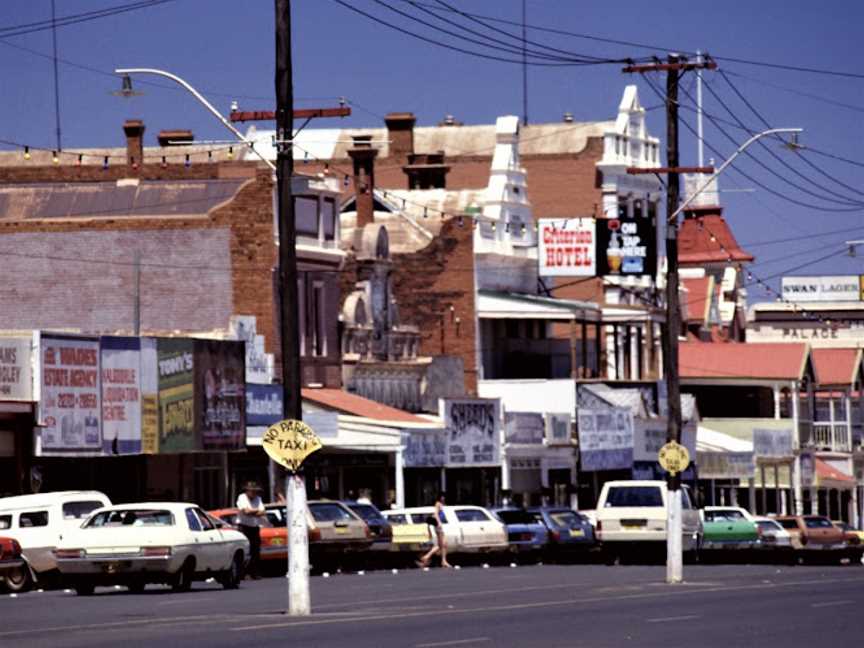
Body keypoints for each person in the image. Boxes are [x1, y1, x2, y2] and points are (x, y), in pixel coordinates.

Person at [236, 481, 266, 579]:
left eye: (255, 491)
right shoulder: (242, 497)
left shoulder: (258, 499)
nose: (254, 493)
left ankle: (255, 572)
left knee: (255, 551)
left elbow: (263, 512)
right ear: (247, 491)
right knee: (244, 550)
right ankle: (242, 573)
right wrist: (256, 511)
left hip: (254, 527)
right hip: (244, 527)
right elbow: (246, 512)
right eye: (252, 491)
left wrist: (252, 511)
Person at [417, 493, 452, 569]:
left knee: (443, 544)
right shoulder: (438, 504)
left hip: (438, 525)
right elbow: (435, 514)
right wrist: (439, 522)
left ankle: (440, 560)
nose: (443, 498)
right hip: (438, 525)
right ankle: (437, 560)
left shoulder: (441, 505)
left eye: (444, 497)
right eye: (442, 497)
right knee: (442, 544)